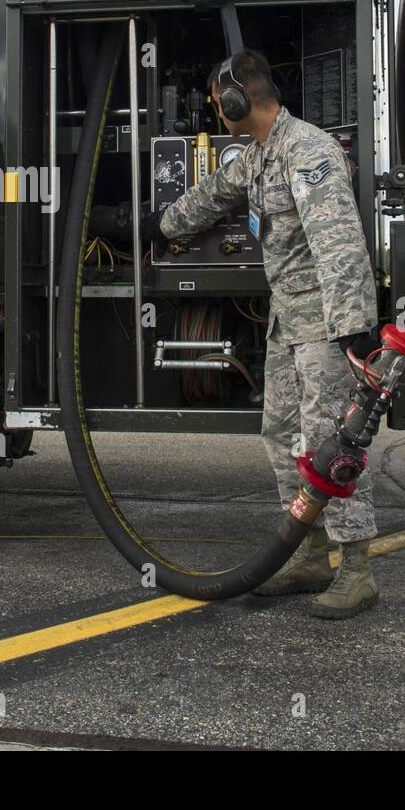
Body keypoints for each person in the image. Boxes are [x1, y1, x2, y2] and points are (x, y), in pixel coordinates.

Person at [140, 50, 382, 619]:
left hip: (324, 323)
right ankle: (307, 554)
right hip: (286, 323)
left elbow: (340, 246)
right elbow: (211, 197)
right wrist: (154, 225)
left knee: (333, 446)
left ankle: (359, 572)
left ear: (234, 101)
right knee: (282, 436)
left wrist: (351, 331)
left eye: (215, 104)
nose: (214, 115)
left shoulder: (309, 151)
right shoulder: (257, 156)